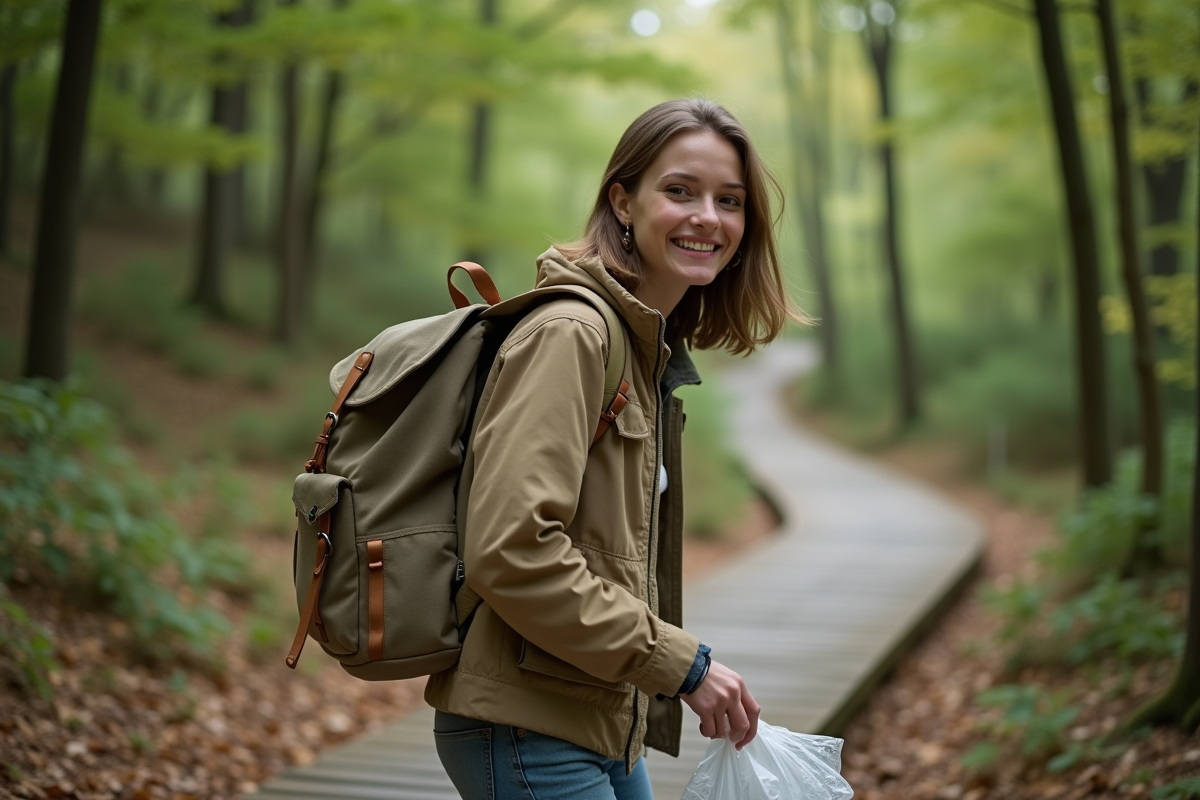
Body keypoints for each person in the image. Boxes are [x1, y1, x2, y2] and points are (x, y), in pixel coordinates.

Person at [424, 98, 801, 800]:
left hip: (602, 715)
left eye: (730, 201)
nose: (708, 218)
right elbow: (511, 548)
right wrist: (682, 665)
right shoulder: (573, 334)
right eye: (680, 190)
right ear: (623, 202)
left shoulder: (640, 350)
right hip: (525, 724)